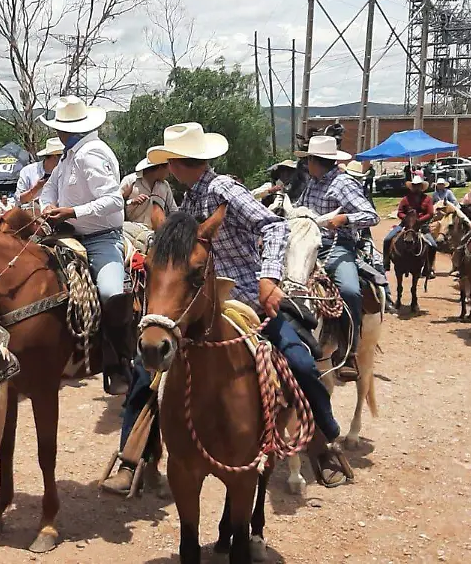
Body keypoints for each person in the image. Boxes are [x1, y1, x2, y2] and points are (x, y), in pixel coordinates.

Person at [101, 122, 351, 494]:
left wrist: (269, 279)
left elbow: (274, 226)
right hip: (202, 304)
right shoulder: (189, 200)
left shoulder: (224, 189)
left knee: (297, 361)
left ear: (174, 164)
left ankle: (323, 442)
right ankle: (133, 454)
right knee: (146, 368)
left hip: (248, 297)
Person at [38, 95, 131, 395]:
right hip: (68, 233)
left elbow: (114, 199)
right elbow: (50, 188)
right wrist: (47, 207)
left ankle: (119, 364)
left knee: (110, 293)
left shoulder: (91, 154)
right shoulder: (67, 155)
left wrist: (71, 212)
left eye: (60, 128)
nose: (58, 133)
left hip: (101, 237)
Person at [297, 135, 380, 382]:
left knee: (350, 290)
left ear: (315, 160)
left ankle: (350, 350)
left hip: (337, 245)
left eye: (308, 160)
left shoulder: (343, 184)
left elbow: (371, 215)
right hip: (307, 244)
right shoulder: (312, 183)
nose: (306, 165)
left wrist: (345, 219)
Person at [382, 175, 437, 279]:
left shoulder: (427, 199)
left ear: (421, 187)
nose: (416, 187)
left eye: (418, 185)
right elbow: (400, 212)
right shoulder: (406, 199)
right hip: (406, 225)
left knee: (433, 245)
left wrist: (418, 221)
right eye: (415, 185)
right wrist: (407, 219)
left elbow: (430, 213)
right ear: (412, 187)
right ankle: (386, 262)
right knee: (387, 239)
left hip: (421, 225)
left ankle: (428, 268)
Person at [120, 157, 177, 228]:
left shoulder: (165, 186)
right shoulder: (130, 180)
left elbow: (173, 211)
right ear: (160, 167)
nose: (170, 172)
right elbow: (116, 203)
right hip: (132, 230)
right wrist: (132, 201)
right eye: (168, 167)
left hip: (156, 232)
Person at [14, 137, 64, 206]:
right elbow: (19, 200)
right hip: (32, 215)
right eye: (64, 156)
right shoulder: (28, 171)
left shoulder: (66, 171)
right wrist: (36, 188)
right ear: (55, 157)